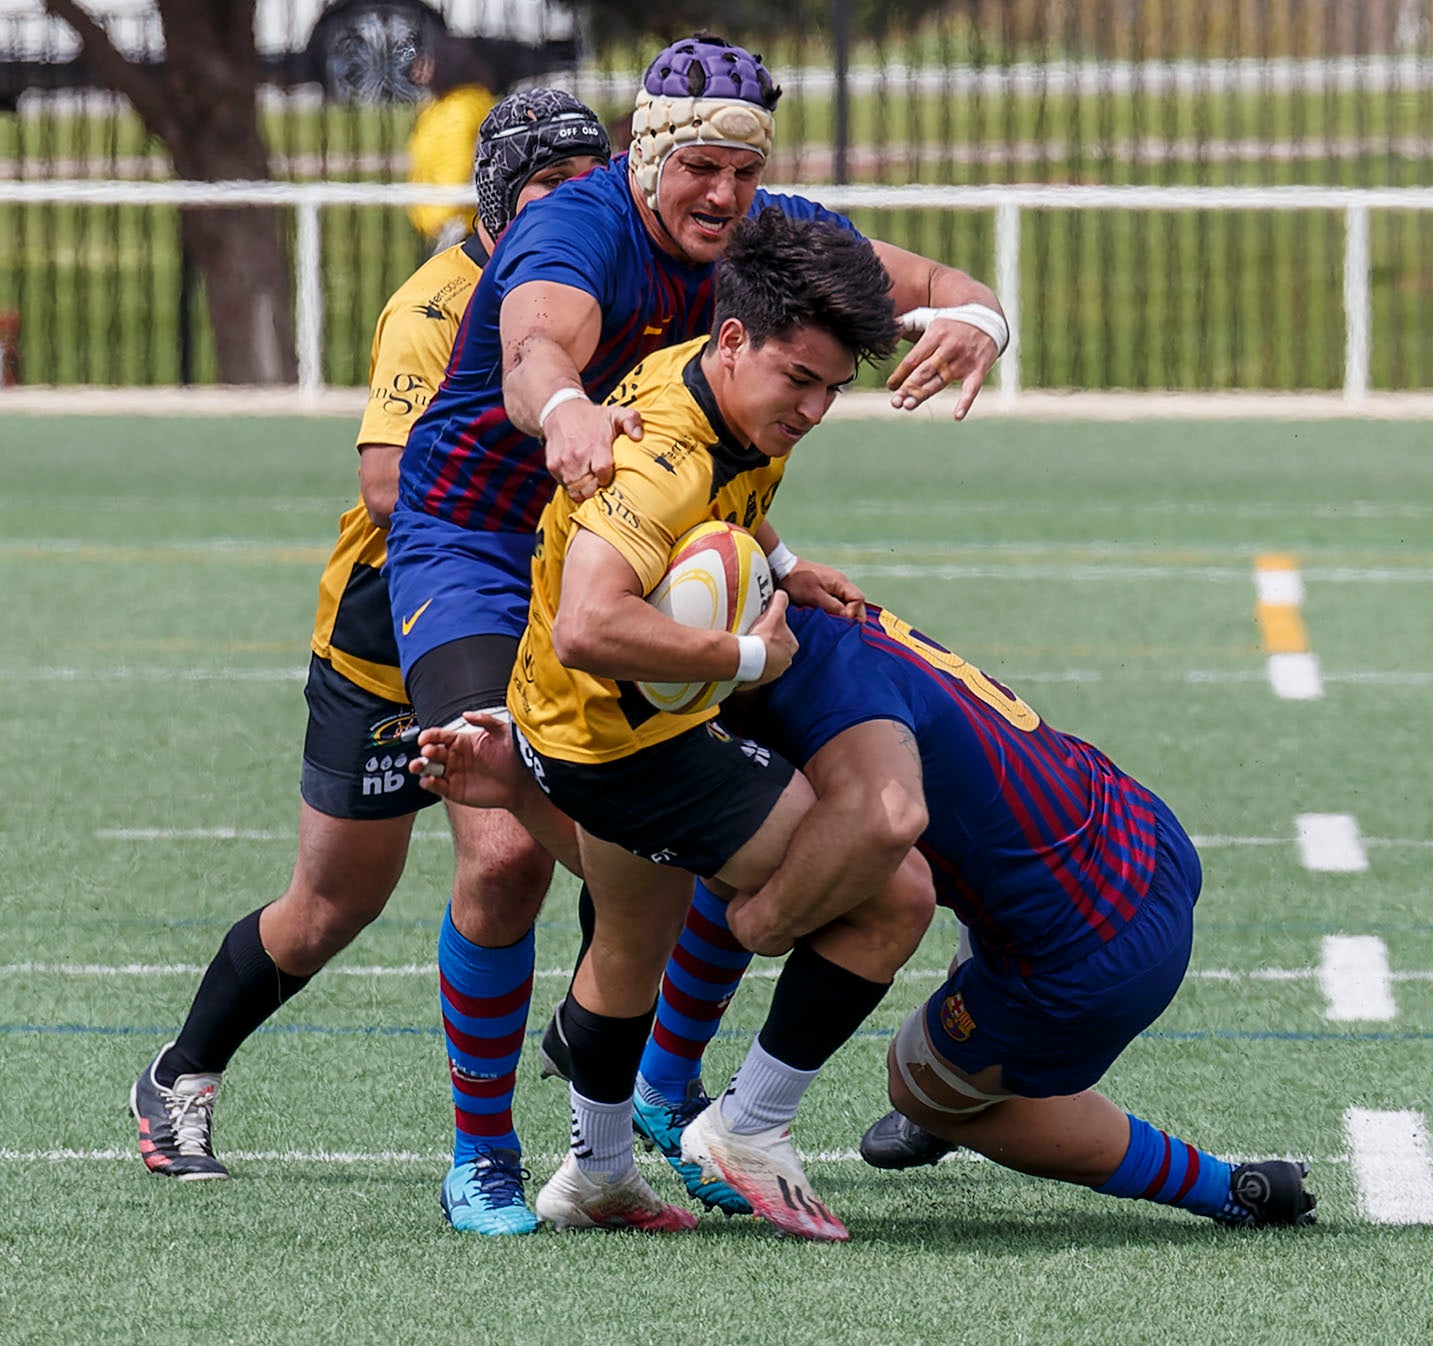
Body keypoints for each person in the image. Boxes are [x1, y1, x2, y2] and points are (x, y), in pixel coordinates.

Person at [386, 32, 1006, 1235]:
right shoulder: (577, 228)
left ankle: (660, 1097)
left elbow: (928, 284)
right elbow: (533, 348)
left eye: (743, 169)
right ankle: (482, 1152)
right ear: (643, 155)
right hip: (482, 541)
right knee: (505, 853)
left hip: (662, 545)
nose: (722, 194)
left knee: (698, 841)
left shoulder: (765, 239)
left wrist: (983, 318)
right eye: (699, 168)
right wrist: (565, 408)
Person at [425, 597, 1318, 1232]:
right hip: (1131, 829)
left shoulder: (803, 704)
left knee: (916, 1073)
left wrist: (762, 922)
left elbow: (853, 837)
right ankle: (677, 1090)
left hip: (1088, 949)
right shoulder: (809, 623)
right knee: (755, 859)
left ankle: (1225, 1187)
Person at [127, 92, 611, 1211]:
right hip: (393, 625)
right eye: (550, 185)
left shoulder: (603, 289)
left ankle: (546, 1108)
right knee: (331, 904)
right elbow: (389, 484)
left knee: (543, 847)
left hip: (543, 612)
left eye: (590, 185)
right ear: (499, 196)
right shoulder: (437, 301)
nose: (573, 206)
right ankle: (180, 1071)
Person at [405, 38, 501, 251]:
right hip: (463, 223)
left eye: (428, 62)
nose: (419, 68)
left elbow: (455, 167)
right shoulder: (448, 104)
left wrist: (436, 218)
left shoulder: (458, 110)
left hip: (458, 228)